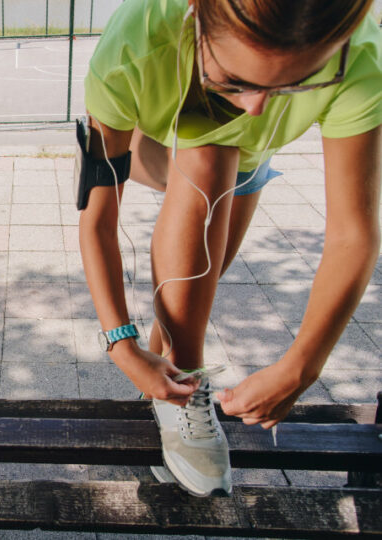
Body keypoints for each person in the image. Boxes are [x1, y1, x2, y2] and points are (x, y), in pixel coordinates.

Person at [80, 0, 381, 496]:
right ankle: (185, 390)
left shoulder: (362, 55)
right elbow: (98, 218)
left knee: (199, 282)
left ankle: (165, 380)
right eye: (235, 79)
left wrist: (301, 367)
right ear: (194, 17)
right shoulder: (135, 43)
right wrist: (121, 344)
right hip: (154, 143)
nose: (256, 107)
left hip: (251, 161)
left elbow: (354, 234)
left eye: (296, 83)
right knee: (211, 154)